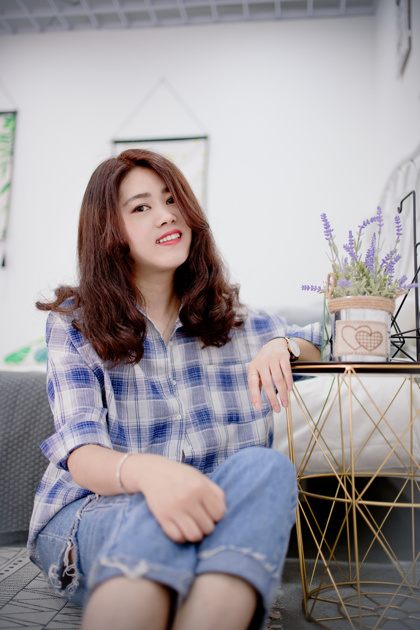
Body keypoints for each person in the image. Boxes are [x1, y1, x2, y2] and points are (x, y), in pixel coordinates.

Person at [28, 149, 321, 630]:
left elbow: (330, 336)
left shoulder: (239, 323)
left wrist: (285, 345)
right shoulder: (75, 323)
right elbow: (80, 454)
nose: (166, 215)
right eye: (141, 207)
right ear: (108, 230)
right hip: (97, 512)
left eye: (171, 200)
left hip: (209, 515)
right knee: (151, 511)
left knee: (268, 467)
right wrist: (154, 477)